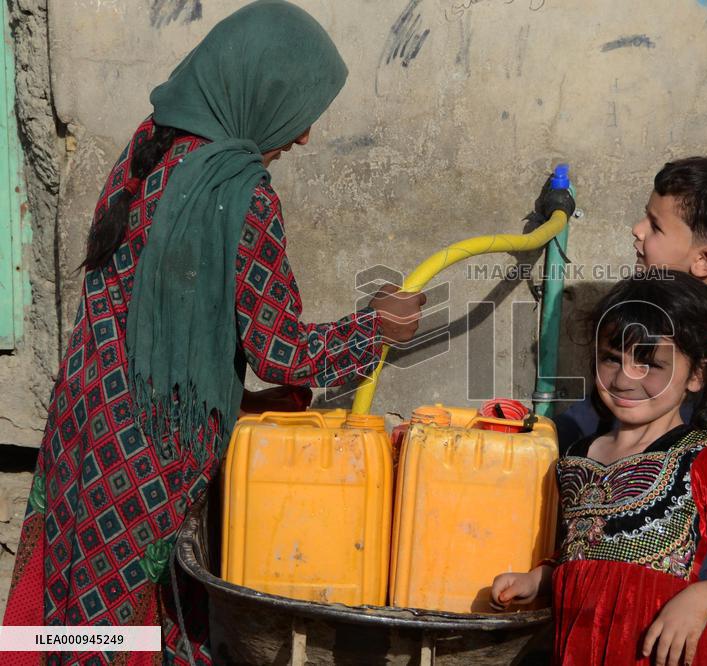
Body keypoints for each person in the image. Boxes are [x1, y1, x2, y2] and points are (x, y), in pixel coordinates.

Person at [1, 2, 424, 663]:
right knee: (129, 623)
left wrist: (234, 399)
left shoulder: (147, 145)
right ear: (257, 91)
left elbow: (150, 308)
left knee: (76, 595)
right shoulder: (238, 192)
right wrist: (375, 328)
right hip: (149, 455)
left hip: (82, 425)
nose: (305, 135)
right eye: (299, 108)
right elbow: (279, 350)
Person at [492, 271, 707, 666]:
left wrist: (701, 597)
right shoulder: (575, 459)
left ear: (696, 374)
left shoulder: (706, 458)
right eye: (612, 358)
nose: (625, 378)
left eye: (649, 363)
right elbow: (584, 556)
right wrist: (536, 581)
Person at [555, 156, 707, 665]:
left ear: (703, 261)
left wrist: (697, 599)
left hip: (680, 612)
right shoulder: (644, 324)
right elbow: (591, 418)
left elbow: (706, 498)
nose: (637, 231)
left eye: (655, 226)